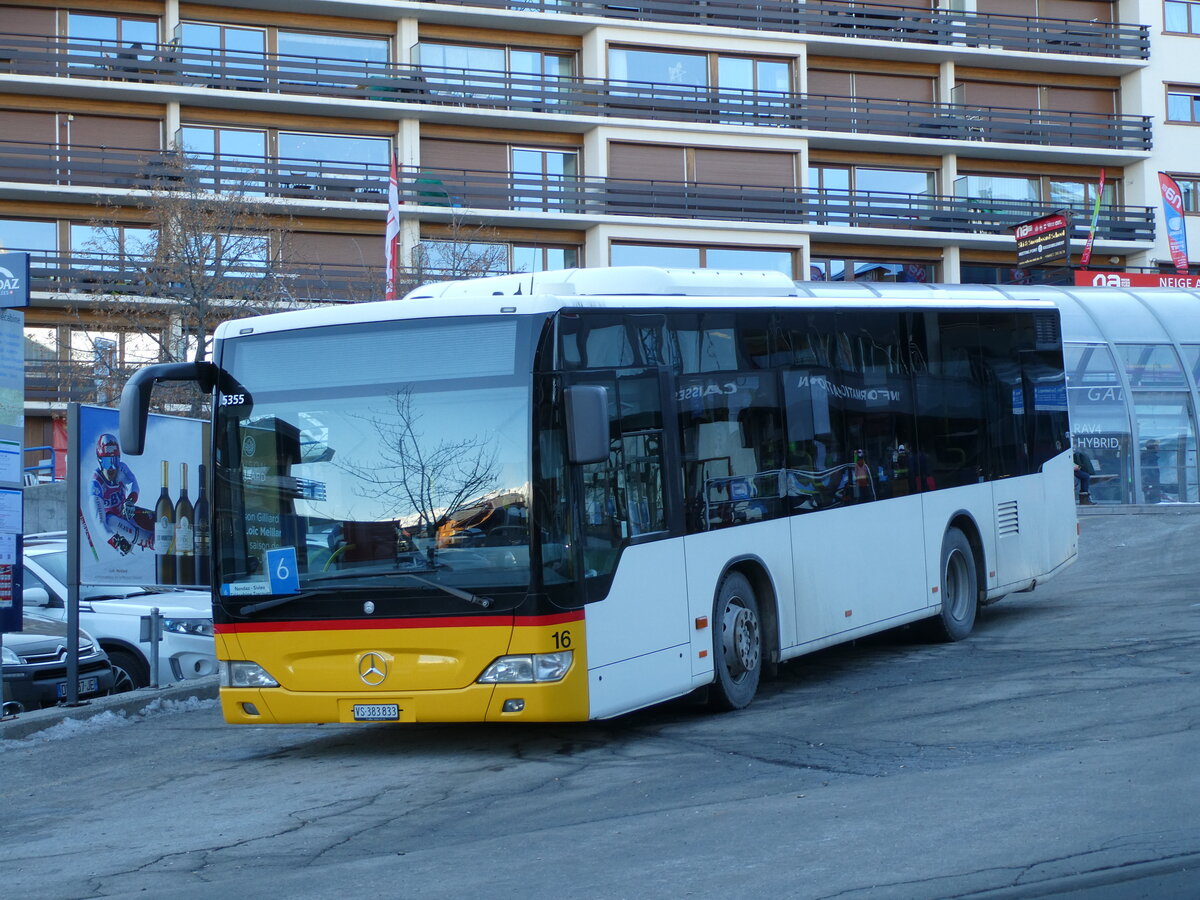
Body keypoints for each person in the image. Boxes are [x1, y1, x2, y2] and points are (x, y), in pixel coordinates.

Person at [89, 433, 152, 554]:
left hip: (126, 513)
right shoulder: (96, 483)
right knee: (110, 520)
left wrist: (130, 500)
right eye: (108, 462)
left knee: (157, 519)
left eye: (116, 461)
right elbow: (99, 522)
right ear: (100, 461)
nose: (112, 467)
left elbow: (135, 484)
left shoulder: (121, 469)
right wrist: (115, 541)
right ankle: (146, 540)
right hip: (115, 525)